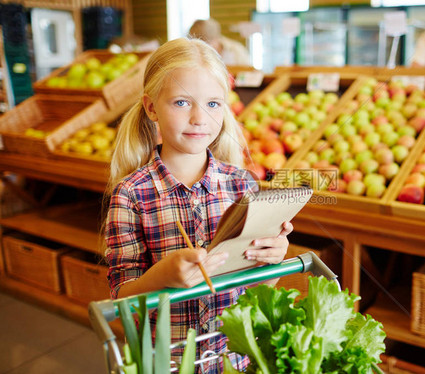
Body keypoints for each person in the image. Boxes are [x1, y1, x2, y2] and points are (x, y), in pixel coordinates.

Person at [104, 37, 292, 372]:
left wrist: (272, 261)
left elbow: (255, 291)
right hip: (167, 363)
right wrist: (161, 277)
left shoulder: (242, 186)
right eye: (181, 103)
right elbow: (122, 303)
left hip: (233, 359)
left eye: (213, 104)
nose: (199, 118)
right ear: (151, 107)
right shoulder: (130, 195)